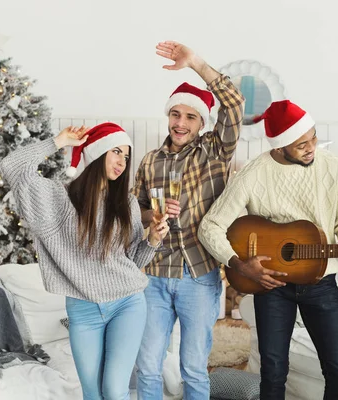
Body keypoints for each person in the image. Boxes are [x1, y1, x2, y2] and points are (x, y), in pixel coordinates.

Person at [198, 99, 338, 400]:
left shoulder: (333, 166)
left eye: (313, 137)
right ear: (278, 147)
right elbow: (210, 226)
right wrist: (239, 264)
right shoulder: (254, 173)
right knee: (273, 372)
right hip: (271, 286)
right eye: (301, 144)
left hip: (322, 283)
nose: (312, 147)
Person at [1, 123, 169, 400]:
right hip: (83, 311)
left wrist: (151, 240)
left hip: (127, 303)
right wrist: (58, 141)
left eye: (126, 156)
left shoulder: (125, 204)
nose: (122, 162)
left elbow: (133, 261)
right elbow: (12, 165)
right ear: (97, 152)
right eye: (116, 151)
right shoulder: (60, 200)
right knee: (92, 394)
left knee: (115, 391)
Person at [133, 41, 245, 400]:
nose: (180, 123)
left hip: (198, 273)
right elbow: (135, 210)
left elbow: (234, 103)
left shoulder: (215, 151)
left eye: (190, 116)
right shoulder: (150, 161)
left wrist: (194, 62)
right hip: (154, 275)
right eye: (175, 114)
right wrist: (153, 214)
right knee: (148, 363)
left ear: (201, 122)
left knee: (194, 367)